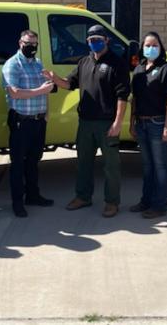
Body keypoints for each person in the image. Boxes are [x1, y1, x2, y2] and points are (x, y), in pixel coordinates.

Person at [45, 25, 130, 218]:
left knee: (111, 166)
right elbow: (69, 84)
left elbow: (122, 96)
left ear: (107, 40)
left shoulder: (118, 64)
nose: (94, 43)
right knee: (83, 163)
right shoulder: (84, 61)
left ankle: (112, 202)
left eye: (98, 39)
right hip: (85, 123)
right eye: (91, 40)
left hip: (107, 123)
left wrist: (118, 123)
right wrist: (55, 79)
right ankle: (83, 196)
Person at [2, 30, 55, 218]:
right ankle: (17, 202)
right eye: (28, 43)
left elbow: (47, 88)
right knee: (18, 164)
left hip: (38, 121)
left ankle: (33, 195)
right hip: (21, 122)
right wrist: (39, 90)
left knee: (34, 162)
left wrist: (46, 113)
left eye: (34, 44)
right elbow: (14, 92)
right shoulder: (12, 65)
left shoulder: (38, 63)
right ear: (20, 42)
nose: (31, 47)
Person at [129, 32, 167, 218]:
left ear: (160, 47)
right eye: (147, 45)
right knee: (148, 166)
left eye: (155, 45)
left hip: (158, 123)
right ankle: (146, 201)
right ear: (142, 48)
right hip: (141, 123)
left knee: (160, 166)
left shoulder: (166, 69)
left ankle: (159, 205)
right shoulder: (139, 69)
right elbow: (135, 97)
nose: (151, 48)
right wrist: (133, 122)